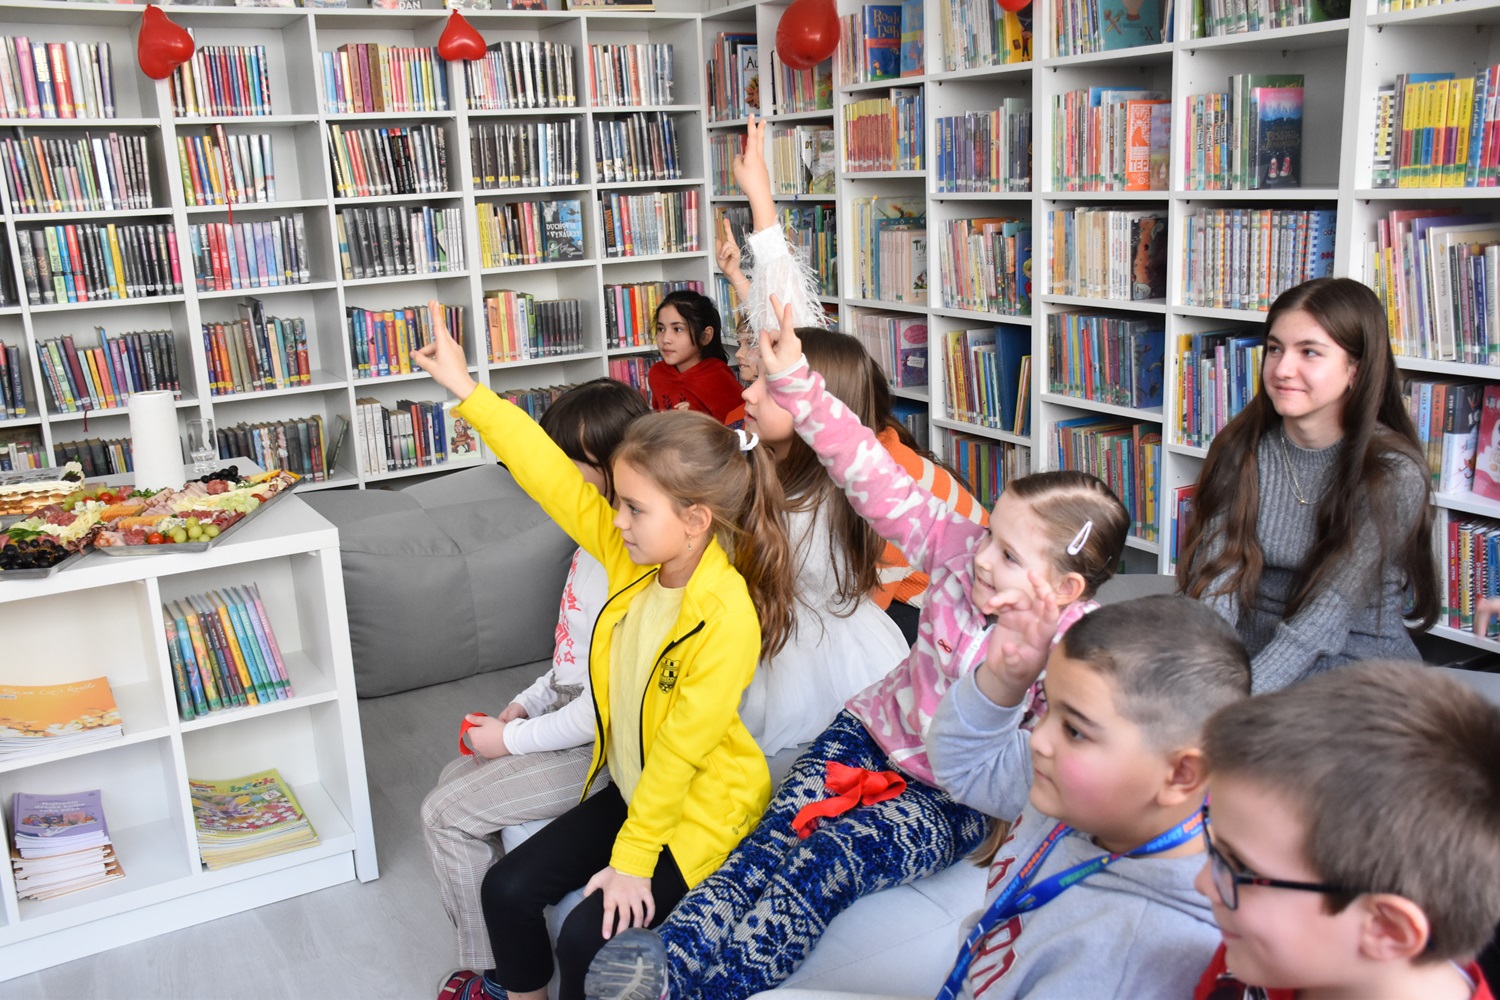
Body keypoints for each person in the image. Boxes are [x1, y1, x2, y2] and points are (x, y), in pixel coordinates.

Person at [583, 302, 1130, 1000]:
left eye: (1009, 555)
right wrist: (798, 384)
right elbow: (866, 467)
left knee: (825, 862)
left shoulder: (1079, 659)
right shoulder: (958, 548)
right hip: (869, 733)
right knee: (771, 839)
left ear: (1066, 588)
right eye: (990, 535)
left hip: (951, 796)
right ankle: (666, 962)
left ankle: (701, 991)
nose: (982, 557)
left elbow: (1054, 769)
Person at [412, 318, 796, 1000]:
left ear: (695, 520)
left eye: (633, 509)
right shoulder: (631, 556)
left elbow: (680, 754)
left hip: (699, 810)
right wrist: (468, 390)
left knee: (584, 940)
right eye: (617, 503)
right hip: (635, 788)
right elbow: (549, 476)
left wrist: (633, 862)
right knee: (506, 889)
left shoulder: (725, 615)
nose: (614, 520)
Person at [719, 116, 987, 645]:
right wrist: (753, 226)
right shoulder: (821, 445)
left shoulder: (877, 476)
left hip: (941, 606)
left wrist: (763, 203)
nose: (746, 386)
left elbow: (861, 618)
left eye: (774, 383)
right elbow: (788, 327)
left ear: (818, 400)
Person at [422, 378, 648, 977]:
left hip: (596, 748)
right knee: (452, 778)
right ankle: (502, 954)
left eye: (565, 464)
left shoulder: (627, 564)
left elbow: (602, 708)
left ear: (615, 466)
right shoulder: (589, 549)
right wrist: (524, 705)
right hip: (566, 717)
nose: (548, 478)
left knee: (443, 813)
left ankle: (494, 975)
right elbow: (570, 658)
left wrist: (511, 740)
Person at [1177, 276, 1438, 693]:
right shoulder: (1241, 447)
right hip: (1248, 651)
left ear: (1355, 369)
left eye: (1309, 352)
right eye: (1275, 348)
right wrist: (1207, 671)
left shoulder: (1391, 472)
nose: (1282, 369)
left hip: (1354, 661)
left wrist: (1242, 698)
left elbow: (1325, 617)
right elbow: (1218, 580)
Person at [1192, 661, 1500, 1000]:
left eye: (1241, 867)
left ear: (1385, 929)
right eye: (1216, 848)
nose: (1202, 883)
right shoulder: (1252, 961)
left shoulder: (1261, 954)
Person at [646, 290, 744, 423]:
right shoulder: (657, 373)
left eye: (677, 329)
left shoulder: (718, 379)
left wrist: (698, 422)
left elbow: (739, 429)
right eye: (661, 329)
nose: (665, 339)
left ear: (705, 336)